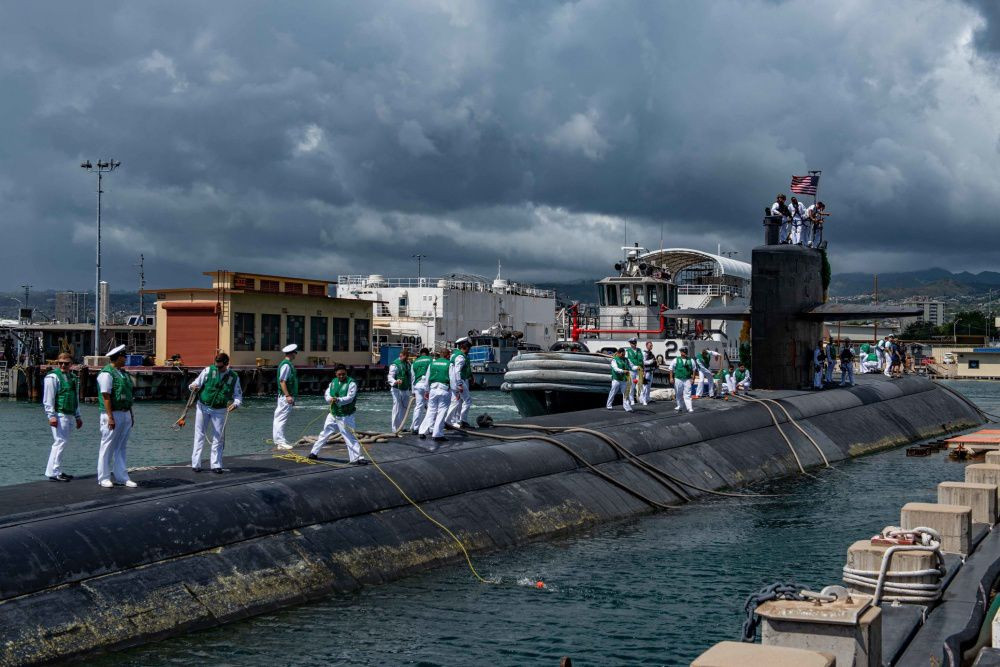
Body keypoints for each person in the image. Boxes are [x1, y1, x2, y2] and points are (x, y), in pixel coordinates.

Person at [187, 352, 242, 473]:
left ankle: (216, 464)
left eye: (220, 367)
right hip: (203, 407)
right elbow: (195, 383)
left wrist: (236, 404)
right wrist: (193, 387)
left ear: (227, 365)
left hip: (220, 409)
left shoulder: (234, 377)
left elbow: (238, 396)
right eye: (216, 366)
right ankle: (196, 464)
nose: (217, 368)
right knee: (199, 434)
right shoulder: (208, 371)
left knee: (218, 437)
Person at [308, 364, 366, 465]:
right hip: (333, 414)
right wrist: (330, 399)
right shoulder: (332, 383)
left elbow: (350, 398)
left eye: (343, 374)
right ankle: (314, 452)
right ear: (336, 374)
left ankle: (358, 458)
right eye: (339, 374)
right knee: (324, 433)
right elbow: (327, 394)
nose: (341, 376)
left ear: (346, 373)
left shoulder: (351, 383)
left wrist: (338, 400)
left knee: (349, 437)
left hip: (345, 415)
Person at [97, 345, 137, 488]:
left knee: (121, 446)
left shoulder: (123, 373)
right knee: (107, 445)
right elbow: (106, 396)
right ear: (118, 357)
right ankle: (104, 477)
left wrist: (131, 415)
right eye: (124, 356)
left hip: (125, 412)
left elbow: (128, 396)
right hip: (113, 413)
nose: (126, 359)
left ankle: (121, 476)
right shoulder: (107, 374)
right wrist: (110, 417)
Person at [42, 353, 82, 482]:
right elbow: (48, 399)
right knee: (60, 442)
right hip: (60, 414)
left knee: (61, 442)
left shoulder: (73, 377)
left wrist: (78, 416)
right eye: (60, 363)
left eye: (66, 363)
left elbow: (75, 398)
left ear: (71, 364)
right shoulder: (52, 377)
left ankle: (54, 471)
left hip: (69, 414)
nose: (63, 365)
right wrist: (51, 416)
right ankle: (55, 471)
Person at [420, 351, 454, 442]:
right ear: (447, 356)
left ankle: (422, 431)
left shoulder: (432, 364)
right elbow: (452, 379)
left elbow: (427, 378)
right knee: (441, 412)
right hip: (443, 389)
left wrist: (426, 391)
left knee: (431, 411)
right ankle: (437, 434)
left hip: (433, 389)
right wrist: (456, 392)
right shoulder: (449, 364)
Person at [272, 344, 298, 450]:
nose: (296, 355)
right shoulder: (286, 365)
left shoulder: (287, 364)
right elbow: (282, 381)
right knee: (281, 419)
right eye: (295, 353)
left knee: (279, 418)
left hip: (285, 396)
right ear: (292, 353)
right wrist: (287, 395)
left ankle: (279, 440)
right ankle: (280, 442)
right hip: (285, 396)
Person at [446, 338, 474, 429]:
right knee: (468, 400)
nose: (469, 351)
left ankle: (448, 420)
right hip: (460, 380)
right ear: (466, 348)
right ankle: (463, 420)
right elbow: (457, 371)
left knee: (455, 401)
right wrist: (459, 384)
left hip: (453, 382)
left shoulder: (454, 355)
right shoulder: (461, 357)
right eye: (469, 349)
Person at [387, 348, 412, 432]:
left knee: (404, 408)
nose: (407, 359)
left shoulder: (408, 364)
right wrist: (395, 381)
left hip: (405, 389)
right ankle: (395, 429)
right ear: (401, 356)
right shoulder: (395, 365)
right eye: (405, 357)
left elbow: (410, 376)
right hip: (396, 389)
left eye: (407, 357)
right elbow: (390, 376)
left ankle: (402, 426)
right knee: (397, 407)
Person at [409, 348, 433, 433]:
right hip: (427, 385)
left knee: (418, 407)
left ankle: (415, 428)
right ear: (427, 353)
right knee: (431, 407)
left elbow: (412, 377)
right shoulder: (431, 360)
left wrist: (413, 391)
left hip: (417, 385)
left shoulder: (414, 362)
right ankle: (430, 428)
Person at [668, 347, 696, 413]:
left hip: (687, 379)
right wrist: (671, 378)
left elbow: (694, 369)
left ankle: (689, 408)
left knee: (687, 393)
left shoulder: (691, 360)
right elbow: (671, 369)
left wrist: (693, 378)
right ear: (681, 352)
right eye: (683, 352)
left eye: (686, 352)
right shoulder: (676, 360)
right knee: (678, 393)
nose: (685, 353)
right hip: (678, 378)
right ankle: (679, 405)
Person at [625, 337, 644, 404]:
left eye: (635, 343)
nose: (634, 344)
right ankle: (632, 400)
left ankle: (642, 400)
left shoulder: (640, 350)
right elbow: (627, 362)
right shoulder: (627, 352)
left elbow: (643, 361)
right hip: (632, 371)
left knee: (640, 385)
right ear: (630, 344)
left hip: (639, 370)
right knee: (631, 386)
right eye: (633, 343)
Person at [640, 341, 657, 405]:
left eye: (651, 345)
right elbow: (643, 362)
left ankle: (647, 398)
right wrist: (651, 361)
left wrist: (655, 363)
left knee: (649, 386)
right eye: (650, 345)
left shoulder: (651, 353)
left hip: (651, 371)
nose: (651, 347)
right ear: (646, 346)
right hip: (646, 372)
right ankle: (643, 399)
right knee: (645, 386)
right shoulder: (644, 353)